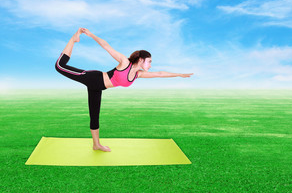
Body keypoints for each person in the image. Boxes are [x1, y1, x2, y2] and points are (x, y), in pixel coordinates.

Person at [55, 28, 193, 152]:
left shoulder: (138, 74)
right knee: (59, 65)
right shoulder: (124, 63)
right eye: (149, 61)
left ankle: (96, 145)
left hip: (98, 88)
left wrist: (179, 74)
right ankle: (73, 39)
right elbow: (105, 46)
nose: (150, 65)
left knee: (95, 116)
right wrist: (91, 35)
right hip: (93, 78)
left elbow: (160, 73)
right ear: (140, 59)